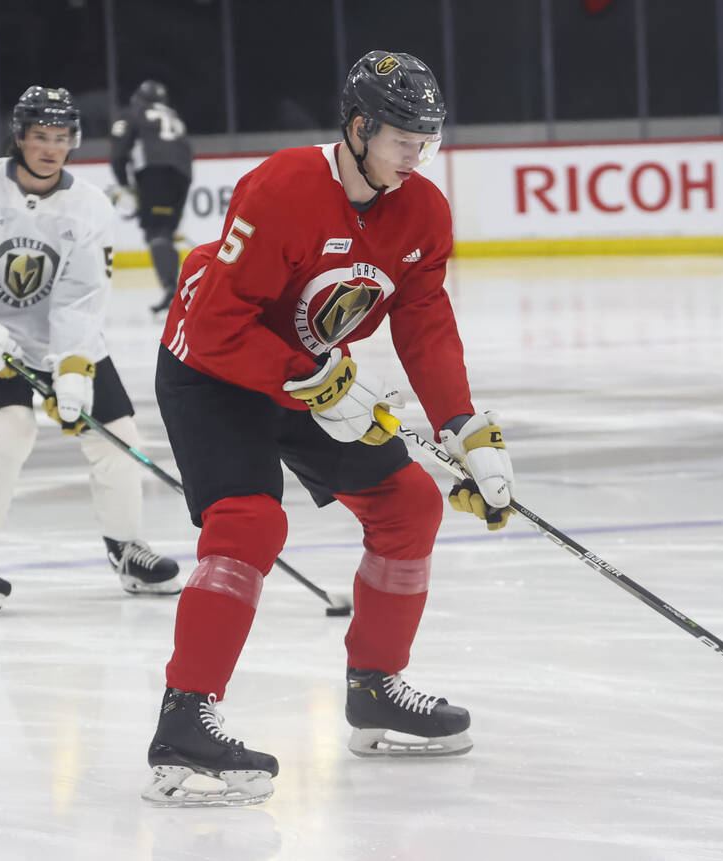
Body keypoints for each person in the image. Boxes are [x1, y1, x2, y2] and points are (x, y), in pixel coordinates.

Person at [141, 51, 515, 807]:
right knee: (248, 522)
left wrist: (464, 428)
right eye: (403, 137)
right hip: (212, 367)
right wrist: (311, 379)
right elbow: (217, 321)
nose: (417, 154)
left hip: (308, 373)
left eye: (426, 139)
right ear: (358, 127)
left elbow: (425, 324)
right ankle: (184, 719)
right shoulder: (283, 185)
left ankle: (375, 686)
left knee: (411, 506)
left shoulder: (422, 212)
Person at [0, 85, 181, 617]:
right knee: (8, 433)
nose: (51, 148)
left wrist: (74, 370)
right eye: (40, 137)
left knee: (118, 437)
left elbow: (80, 297)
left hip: (59, 339)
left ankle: (126, 549)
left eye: (61, 138)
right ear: (19, 137)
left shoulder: (88, 206)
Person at [109, 80, 193, 313]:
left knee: (157, 233)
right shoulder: (173, 115)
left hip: (155, 172)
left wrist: (125, 185)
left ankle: (171, 290)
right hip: (182, 175)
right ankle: (177, 290)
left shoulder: (133, 113)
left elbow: (118, 153)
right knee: (166, 233)